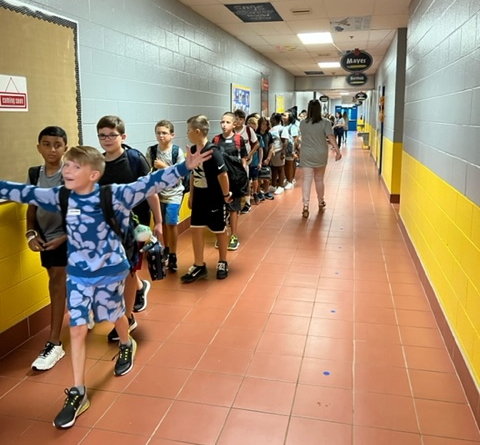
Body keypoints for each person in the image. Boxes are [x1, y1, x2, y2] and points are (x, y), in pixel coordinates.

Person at [0, 144, 212, 429]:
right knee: (76, 329)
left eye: (75, 167)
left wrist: (185, 166)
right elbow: (24, 192)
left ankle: (127, 342)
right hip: (77, 275)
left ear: (94, 174)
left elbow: (150, 182)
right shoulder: (61, 196)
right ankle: (78, 391)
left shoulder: (114, 194)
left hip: (110, 272)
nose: (67, 171)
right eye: (66, 166)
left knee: (114, 317)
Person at [96, 116, 162, 330]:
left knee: (128, 270)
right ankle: (140, 288)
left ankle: (128, 317)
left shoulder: (134, 158)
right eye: (102, 135)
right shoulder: (97, 163)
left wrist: (159, 222)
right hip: (109, 226)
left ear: (122, 136)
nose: (107, 139)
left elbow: (150, 191)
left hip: (137, 224)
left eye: (112, 135)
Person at [26, 126, 68, 371]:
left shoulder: (72, 172)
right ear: (39, 147)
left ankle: (54, 342)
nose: (52, 149)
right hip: (46, 237)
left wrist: (64, 237)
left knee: (57, 280)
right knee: (58, 278)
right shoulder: (34, 174)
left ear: (65, 148)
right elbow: (31, 207)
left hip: (69, 235)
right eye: (46, 144)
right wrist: (30, 233)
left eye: (57, 144)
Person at [181, 115, 232, 283]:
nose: (187, 133)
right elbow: (193, 175)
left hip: (214, 197)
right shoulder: (193, 151)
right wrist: (192, 196)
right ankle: (199, 264)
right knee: (195, 229)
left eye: (188, 130)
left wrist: (225, 195)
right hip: (199, 197)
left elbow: (223, 175)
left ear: (197, 131)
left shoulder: (212, 151)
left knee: (219, 230)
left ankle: (223, 261)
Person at [146, 120, 185, 271]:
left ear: (172, 135)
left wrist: (164, 167)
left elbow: (180, 174)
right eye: (158, 133)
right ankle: (166, 249)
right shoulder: (152, 151)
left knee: (171, 223)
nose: (161, 136)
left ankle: (174, 255)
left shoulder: (177, 152)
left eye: (164, 133)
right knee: (160, 223)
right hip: (157, 194)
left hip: (174, 193)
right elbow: (147, 171)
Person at [298, 100, 342, 218]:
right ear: (319, 109)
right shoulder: (326, 123)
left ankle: (305, 205)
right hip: (320, 154)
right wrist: (337, 151)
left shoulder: (302, 123)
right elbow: (331, 136)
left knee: (307, 180)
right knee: (319, 180)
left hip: (306, 153)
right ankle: (320, 201)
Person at [212, 112, 248, 251]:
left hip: (235, 179)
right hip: (220, 179)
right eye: (222, 122)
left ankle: (233, 235)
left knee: (233, 209)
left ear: (234, 124)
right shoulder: (215, 140)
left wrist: (242, 174)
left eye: (227, 122)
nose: (224, 125)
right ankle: (222, 234)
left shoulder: (239, 140)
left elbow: (243, 158)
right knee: (221, 208)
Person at [234, 109, 259, 213]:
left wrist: (249, 154)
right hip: (234, 160)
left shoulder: (248, 130)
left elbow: (256, 143)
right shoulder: (231, 130)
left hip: (246, 160)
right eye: (236, 119)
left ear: (244, 120)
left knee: (246, 181)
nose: (238, 121)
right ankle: (236, 203)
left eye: (240, 119)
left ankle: (247, 203)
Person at [246, 116, 262, 205]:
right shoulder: (245, 135)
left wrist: (260, 162)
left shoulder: (258, 137)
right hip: (247, 161)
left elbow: (260, 149)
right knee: (247, 180)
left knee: (255, 178)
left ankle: (255, 193)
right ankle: (247, 198)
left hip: (254, 161)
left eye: (254, 126)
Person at [257, 116, 274, 200]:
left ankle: (266, 192)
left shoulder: (269, 135)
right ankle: (259, 192)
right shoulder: (256, 134)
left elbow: (271, 147)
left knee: (267, 177)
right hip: (258, 158)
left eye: (266, 124)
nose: (264, 126)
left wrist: (268, 158)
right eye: (263, 124)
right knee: (259, 177)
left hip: (266, 158)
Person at [269, 113, 287, 195]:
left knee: (280, 169)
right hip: (272, 152)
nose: (271, 120)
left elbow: (285, 141)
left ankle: (281, 186)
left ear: (275, 120)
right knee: (273, 169)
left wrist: (283, 152)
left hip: (279, 150)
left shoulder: (282, 129)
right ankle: (273, 185)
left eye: (272, 119)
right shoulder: (271, 129)